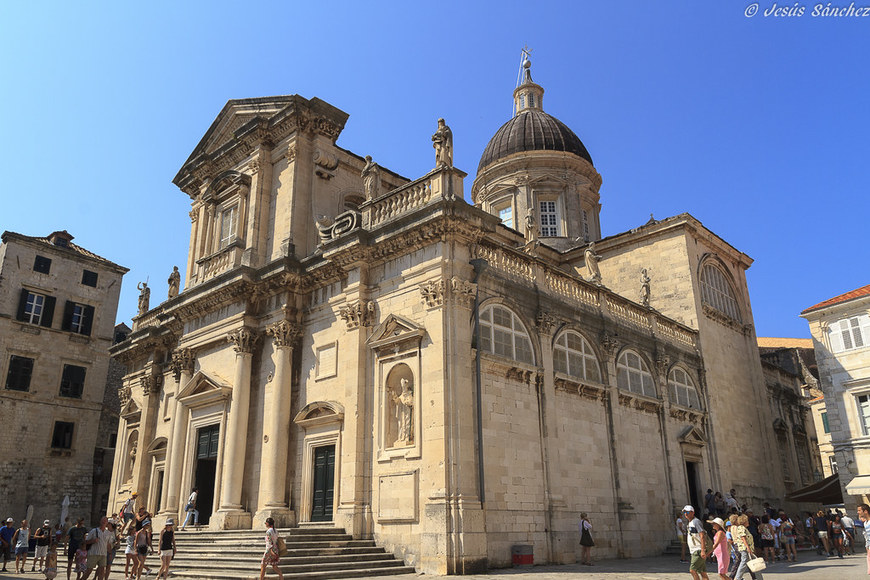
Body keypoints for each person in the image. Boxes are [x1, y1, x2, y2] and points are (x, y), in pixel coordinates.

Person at [732, 514, 764, 580]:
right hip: (744, 548)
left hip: (747, 548)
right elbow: (743, 538)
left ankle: (759, 578)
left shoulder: (744, 528)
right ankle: (738, 577)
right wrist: (748, 547)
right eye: (747, 521)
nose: (748, 522)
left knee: (755, 562)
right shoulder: (741, 527)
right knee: (744, 562)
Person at [81, 516, 113, 580]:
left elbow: (108, 544)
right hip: (93, 553)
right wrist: (93, 541)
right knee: (89, 571)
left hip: (103, 554)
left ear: (107, 523)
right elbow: (85, 542)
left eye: (105, 521)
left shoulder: (108, 533)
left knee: (101, 571)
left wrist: (110, 553)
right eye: (102, 521)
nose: (104, 522)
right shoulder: (94, 531)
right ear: (100, 522)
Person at [683, 505, 709, 580]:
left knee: (692, 570)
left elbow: (702, 535)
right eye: (685, 512)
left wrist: (703, 550)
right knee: (702, 572)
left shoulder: (696, 522)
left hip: (698, 550)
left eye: (687, 512)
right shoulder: (690, 523)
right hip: (694, 550)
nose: (686, 514)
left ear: (692, 512)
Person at [857, 503, 870, 575]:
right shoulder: (866, 523)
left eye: (859, 510)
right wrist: (867, 545)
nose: (858, 512)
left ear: (865, 511)